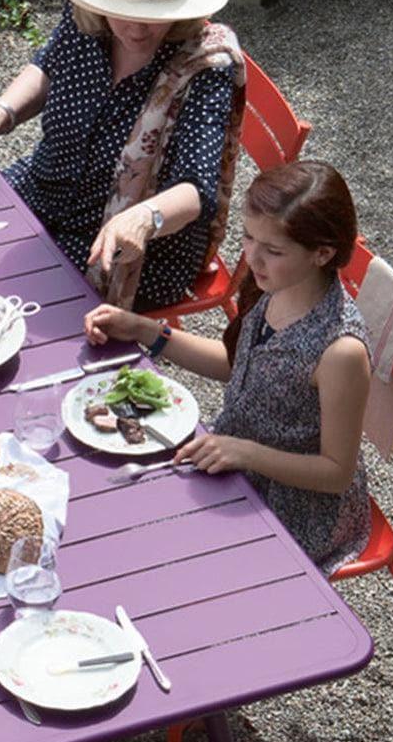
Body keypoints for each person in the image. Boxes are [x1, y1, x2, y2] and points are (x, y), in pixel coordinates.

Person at [84, 161, 371, 575]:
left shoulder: (341, 350)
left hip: (294, 507)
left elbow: (336, 474)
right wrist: (146, 331)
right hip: (234, 458)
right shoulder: (276, 284)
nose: (252, 257)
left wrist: (246, 453)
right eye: (249, 238)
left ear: (322, 254)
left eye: (272, 250)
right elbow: (236, 364)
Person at [0, 0, 245, 314]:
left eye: (153, 16)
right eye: (123, 13)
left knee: (4, 302)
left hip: (126, 246)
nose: (137, 29)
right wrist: (0, 113)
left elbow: (196, 190)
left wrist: (146, 217)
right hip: (46, 184)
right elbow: (48, 67)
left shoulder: (204, 66)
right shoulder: (84, 18)